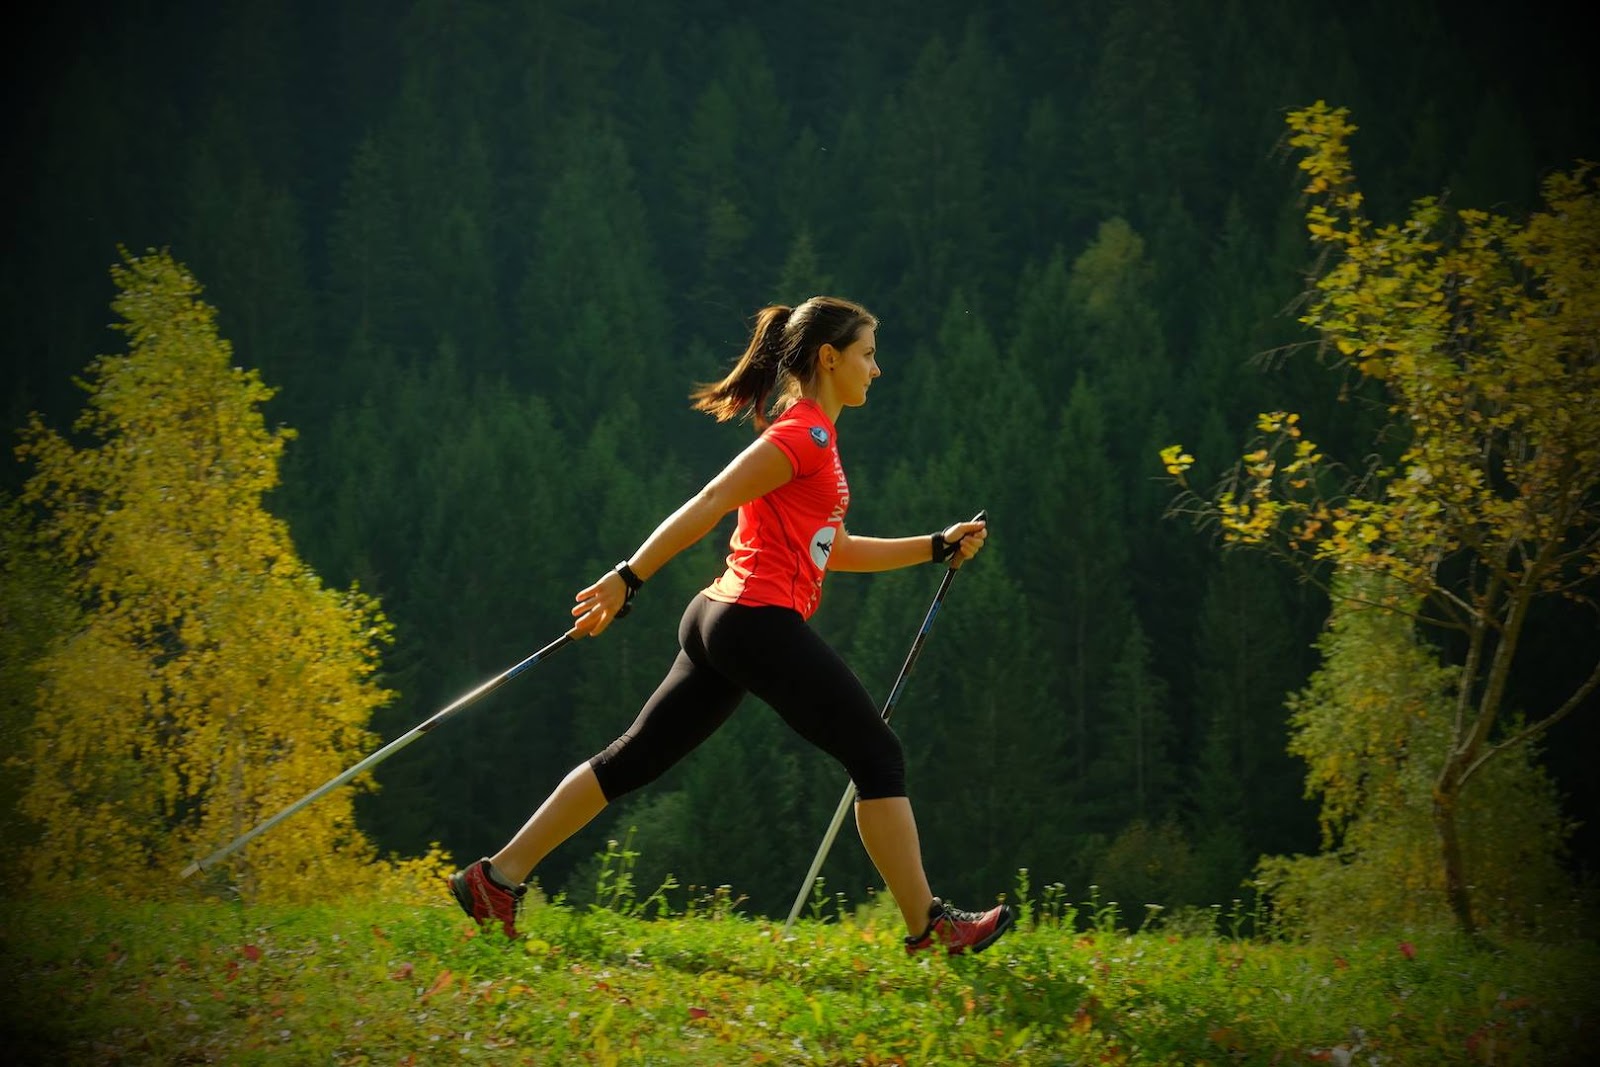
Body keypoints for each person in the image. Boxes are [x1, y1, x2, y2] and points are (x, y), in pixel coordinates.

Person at [448, 296, 1014, 955]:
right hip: (754, 621)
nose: (877, 369)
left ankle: (496, 878)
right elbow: (713, 499)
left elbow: (836, 547)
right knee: (878, 754)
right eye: (867, 354)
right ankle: (931, 926)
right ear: (830, 359)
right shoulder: (801, 436)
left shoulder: (818, 442)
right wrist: (627, 575)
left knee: (630, 758)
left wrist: (935, 545)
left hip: (723, 618)